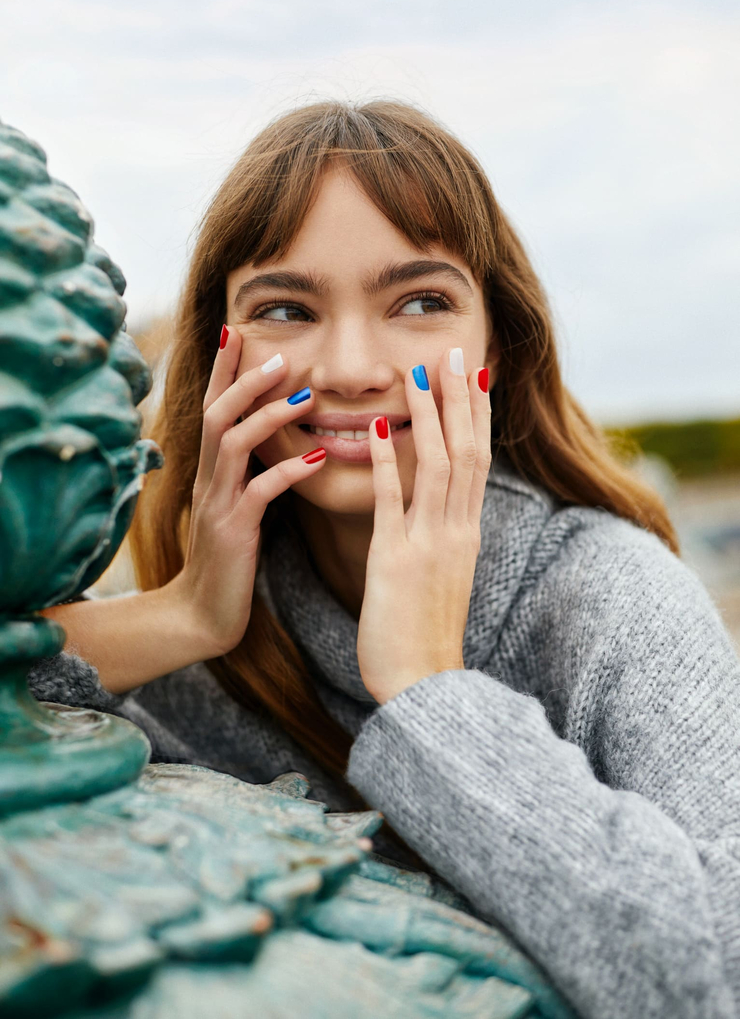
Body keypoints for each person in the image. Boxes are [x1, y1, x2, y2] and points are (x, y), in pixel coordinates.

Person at [31, 100, 740, 1019]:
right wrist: (182, 616)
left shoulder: (612, 599)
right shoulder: (201, 654)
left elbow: (713, 980)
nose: (353, 366)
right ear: (219, 357)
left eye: (419, 302)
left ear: (501, 343)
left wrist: (428, 696)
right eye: (287, 308)